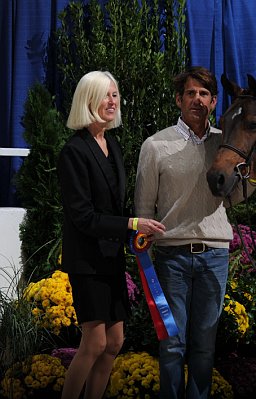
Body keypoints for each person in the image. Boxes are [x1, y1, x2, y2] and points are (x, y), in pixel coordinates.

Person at [134, 66, 256, 399]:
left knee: (205, 348)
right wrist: (146, 255)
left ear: (213, 102)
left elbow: (232, 198)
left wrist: (253, 180)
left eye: (205, 94)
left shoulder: (225, 143)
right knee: (171, 346)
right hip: (171, 258)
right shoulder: (155, 146)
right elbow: (143, 209)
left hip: (214, 256)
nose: (198, 99)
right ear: (179, 100)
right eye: (191, 93)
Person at [58, 71, 166, 399]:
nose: (112, 101)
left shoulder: (112, 145)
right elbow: (84, 217)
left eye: (115, 95)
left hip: (110, 259)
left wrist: (134, 229)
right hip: (87, 262)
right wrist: (132, 225)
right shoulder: (74, 151)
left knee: (115, 343)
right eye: (105, 95)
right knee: (95, 342)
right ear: (87, 100)